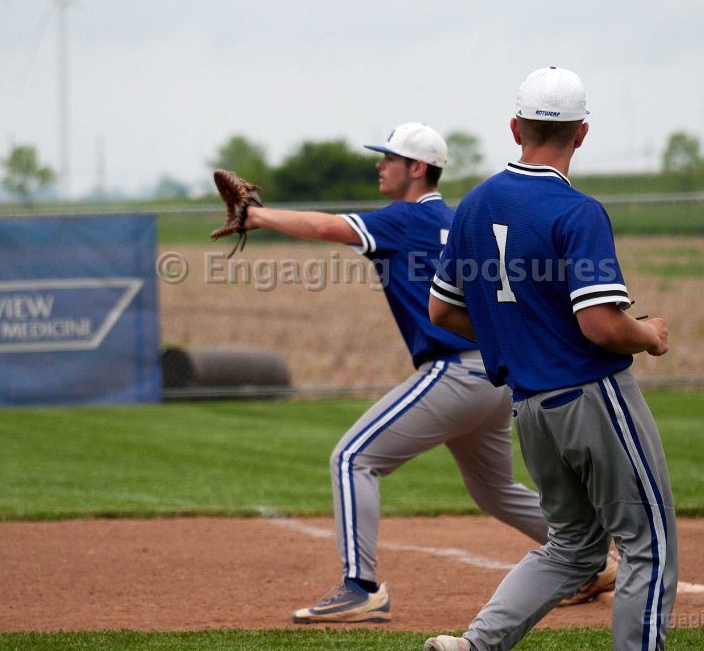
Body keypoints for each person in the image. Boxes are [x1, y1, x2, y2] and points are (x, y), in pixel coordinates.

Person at [242, 123, 615, 624]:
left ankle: (360, 589)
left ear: (417, 168)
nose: (380, 165)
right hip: (495, 376)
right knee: (493, 489)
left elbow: (328, 227)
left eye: (389, 158)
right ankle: (595, 561)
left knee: (352, 458)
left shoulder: (404, 218)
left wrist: (256, 215)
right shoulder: (460, 219)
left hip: (455, 373)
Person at [426, 67, 678, 651]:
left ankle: (474, 645)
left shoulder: (474, 204)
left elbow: (442, 311)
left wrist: (518, 336)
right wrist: (648, 334)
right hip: (591, 395)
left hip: (530, 408)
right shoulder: (577, 211)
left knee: (572, 547)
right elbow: (601, 325)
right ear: (581, 133)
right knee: (648, 544)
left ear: (516, 128)